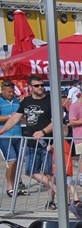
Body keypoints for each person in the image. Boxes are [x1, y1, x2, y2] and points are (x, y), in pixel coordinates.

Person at [0, 74, 55, 207]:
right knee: (30, 171)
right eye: (37, 85)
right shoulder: (26, 101)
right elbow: (15, 118)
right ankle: (58, 189)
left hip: (47, 143)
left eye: (42, 85)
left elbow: (56, 121)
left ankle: (51, 201)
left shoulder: (50, 100)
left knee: (48, 174)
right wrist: (2, 131)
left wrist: (43, 132)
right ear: (30, 87)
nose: (40, 87)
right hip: (31, 143)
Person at [0, 81, 23, 197]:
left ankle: (16, 185)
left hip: (18, 134)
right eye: (8, 92)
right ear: (2, 90)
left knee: (18, 162)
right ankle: (9, 187)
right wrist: (10, 117)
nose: (11, 94)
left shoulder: (17, 100)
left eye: (12, 91)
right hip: (5, 136)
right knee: (12, 160)